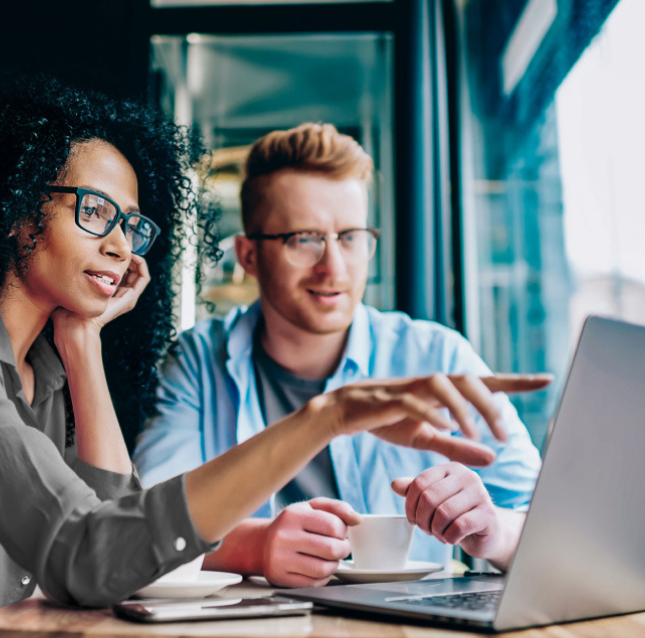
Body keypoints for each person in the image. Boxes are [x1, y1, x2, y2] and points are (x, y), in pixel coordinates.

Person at [0, 85, 545, 638]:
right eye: (93, 211)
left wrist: (85, 341)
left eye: (132, 222)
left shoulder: (48, 369)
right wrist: (323, 420)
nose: (120, 243)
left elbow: (118, 543)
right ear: (15, 213)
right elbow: (90, 557)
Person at [134, 123, 549, 588]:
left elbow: (551, 526)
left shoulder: (436, 355)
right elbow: (146, 525)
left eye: (350, 237)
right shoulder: (197, 361)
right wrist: (257, 545)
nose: (334, 267)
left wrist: (492, 530)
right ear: (249, 256)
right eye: (304, 239)